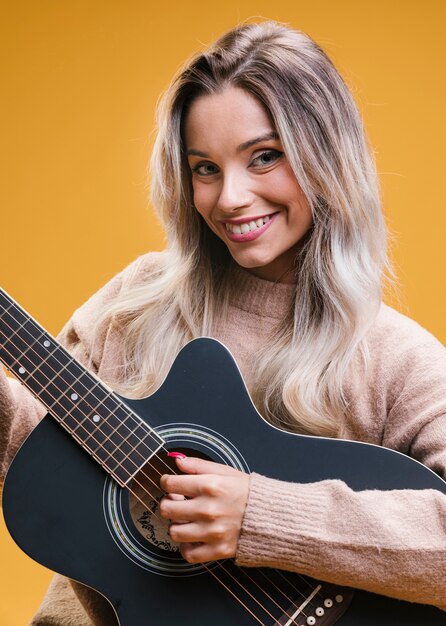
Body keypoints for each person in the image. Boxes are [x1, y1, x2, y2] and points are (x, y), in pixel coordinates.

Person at [1, 20, 445, 626]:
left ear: (328, 158)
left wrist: (261, 517)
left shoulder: (396, 359)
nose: (230, 197)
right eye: (204, 168)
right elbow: (42, 450)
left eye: (264, 158)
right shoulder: (139, 301)